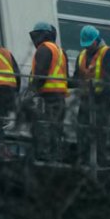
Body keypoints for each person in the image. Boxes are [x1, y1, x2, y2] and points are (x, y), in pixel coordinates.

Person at [27, 22, 68, 159]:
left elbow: (40, 73)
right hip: (60, 97)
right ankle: (56, 156)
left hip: (48, 97)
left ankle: (44, 156)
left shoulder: (44, 49)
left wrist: (32, 91)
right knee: (56, 128)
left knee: (44, 127)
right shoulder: (60, 51)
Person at [70, 25, 110, 126]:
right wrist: (67, 81)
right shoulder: (82, 55)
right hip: (85, 101)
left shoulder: (108, 54)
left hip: (101, 101)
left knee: (100, 131)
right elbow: (77, 77)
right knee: (83, 129)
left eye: (89, 44)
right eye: (85, 45)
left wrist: (100, 90)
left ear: (97, 40)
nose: (87, 47)